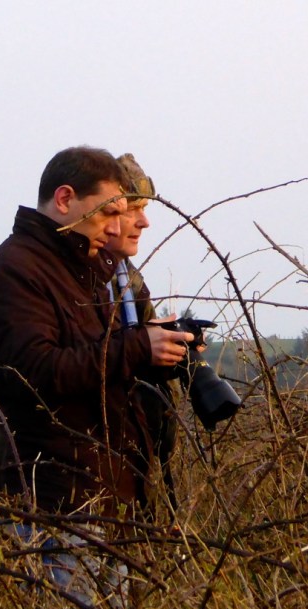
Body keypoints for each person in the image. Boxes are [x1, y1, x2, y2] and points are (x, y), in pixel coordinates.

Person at [0, 146, 193, 609]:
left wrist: (159, 355)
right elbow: (34, 373)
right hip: (56, 504)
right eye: (110, 211)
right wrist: (138, 347)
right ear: (66, 199)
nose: (119, 226)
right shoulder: (15, 270)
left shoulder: (91, 267)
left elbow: (97, 362)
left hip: (109, 498)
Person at [106, 154, 183, 518]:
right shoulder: (74, 280)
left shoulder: (127, 278)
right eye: (132, 208)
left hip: (131, 467)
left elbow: (138, 353)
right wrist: (142, 346)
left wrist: (173, 350)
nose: (144, 221)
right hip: (79, 479)